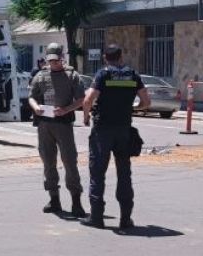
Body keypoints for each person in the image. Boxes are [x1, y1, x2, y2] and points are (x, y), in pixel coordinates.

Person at [81, 44, 150, 230]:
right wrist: (132, 108)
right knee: (124, 173)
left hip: (103, 129)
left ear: (105, 57)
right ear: (121, 56)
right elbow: (146, 102)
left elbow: (88, 100)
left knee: (97, 172)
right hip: (124, 130)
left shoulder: (103, 74)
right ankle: (125, 219)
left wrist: (86, 116)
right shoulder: (133, 75)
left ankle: (96, 217)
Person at [27, 42, 86, 217]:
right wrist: (35, 107)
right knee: (48, 162)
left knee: (69, 162)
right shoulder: (40, 75)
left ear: (62, 58)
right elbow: (31, 97)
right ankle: (54, 200)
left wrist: (67, 109)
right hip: (45, 125)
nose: (54, 64)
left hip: (64, 124)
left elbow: (81, 99)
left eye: (56, 60)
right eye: (51, 60)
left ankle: (76, 202)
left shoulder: (72, 75)